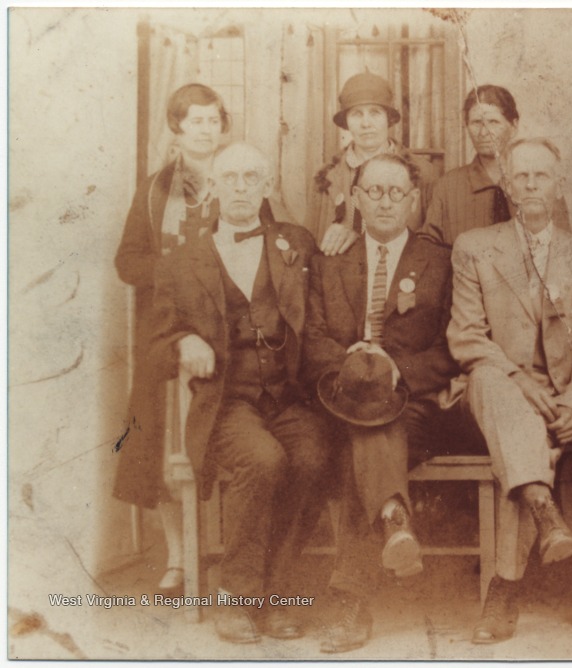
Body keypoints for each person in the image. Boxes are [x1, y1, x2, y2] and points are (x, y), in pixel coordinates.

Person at [148, 143, 334, 644]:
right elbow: (156, 341)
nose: (240, 187)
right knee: (263, 460)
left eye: (252, 177)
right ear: (213, 186)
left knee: (315, 456)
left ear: (267, 186)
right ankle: (237, 594)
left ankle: (276, 594)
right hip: (228, 402)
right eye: (230, 177)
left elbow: (325, 306)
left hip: (290, 397)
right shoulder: (183, 261)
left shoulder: (297, 244)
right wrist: (184, 339)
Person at [447, 137, 572, 644]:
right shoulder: (475, 246)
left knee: (531, 440)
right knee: (500, 393)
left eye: (541, 176)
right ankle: (543, 515)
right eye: (520, 177)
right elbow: (468, 337)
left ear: (558, 185)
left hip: (555, 402)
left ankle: (505, 590)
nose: (531, 186)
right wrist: (518, 379)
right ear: (506, 185)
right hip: (491, 386)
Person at [302, 154, 457, 653]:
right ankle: (392, 517)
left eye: (396, 193)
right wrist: (351, 365)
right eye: (374, 191)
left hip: (411, 405)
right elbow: (313, 338)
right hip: (339, 398)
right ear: (357, 198)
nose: (385, 201)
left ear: (414, 200)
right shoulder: (330, 263)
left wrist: (393, 368)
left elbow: (452, 348)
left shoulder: (440, 261)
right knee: (363, 425)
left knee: (369, 431)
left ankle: (350, 599)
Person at [112, 83, 250, 593]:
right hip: (168, 334)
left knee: (232, 435)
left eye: (214, 121)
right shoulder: (154, 191)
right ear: (177, 127)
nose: (206, 131)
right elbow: (127, 262)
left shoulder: (240, 178)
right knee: (160, 447)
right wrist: (177, 271)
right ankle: (178, 556)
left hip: (228, 330)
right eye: (195, 122)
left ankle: (227, 552)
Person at [420, 85, 570, 246]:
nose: (484, 132)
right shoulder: (448, 186)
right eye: (476, 122)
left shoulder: (540, 182)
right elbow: (428, 249)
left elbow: (563, 246)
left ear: (513, 126)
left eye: (493, 122)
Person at [312, 71, 437, 256]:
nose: (366, 123)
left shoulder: (422, 172)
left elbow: (431, 245)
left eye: (375, 113)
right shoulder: (327, 175)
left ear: (389, 118)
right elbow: (313, 240)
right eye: (356, 114)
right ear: (346, 122)